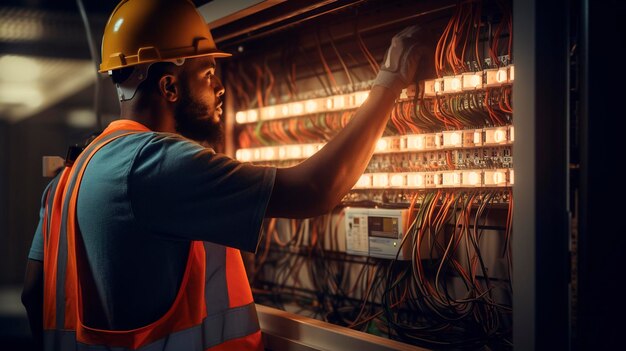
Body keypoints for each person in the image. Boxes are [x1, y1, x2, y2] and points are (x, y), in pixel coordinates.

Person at [20, 0, 428, 350]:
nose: (220, 89)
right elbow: (313, 190)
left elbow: (33, 295)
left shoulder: (68, 178)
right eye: (208, 74)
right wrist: (390, 81)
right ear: (169, 86)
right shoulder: (157, 162)